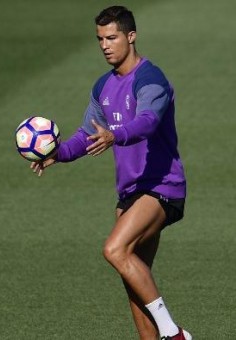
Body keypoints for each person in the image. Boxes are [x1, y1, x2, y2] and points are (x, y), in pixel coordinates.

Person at [31, 6, 191, 340]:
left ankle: (174, 334)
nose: (105, 45)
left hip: (161, 187)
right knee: (134, 279)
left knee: (114, 250)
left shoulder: (151, 79)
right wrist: (56, 154)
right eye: (100, 39)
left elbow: (147, 122)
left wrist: (115, 135)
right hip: (130, 193)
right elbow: (84, 135)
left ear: (131, 37)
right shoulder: (103, 86)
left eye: (112, 37)